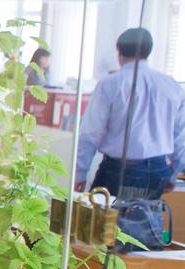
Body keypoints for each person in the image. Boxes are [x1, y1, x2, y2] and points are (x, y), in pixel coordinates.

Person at [75, 27, 185, 199]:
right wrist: (174, 173)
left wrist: (80, 173)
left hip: (119, 170)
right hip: (158, 169)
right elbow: (180, 136)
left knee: (102, 222)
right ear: (148, 51)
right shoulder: (172, 85)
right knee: (145, 220)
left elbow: (90, 133)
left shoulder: (110, 84)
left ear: (119, 51)